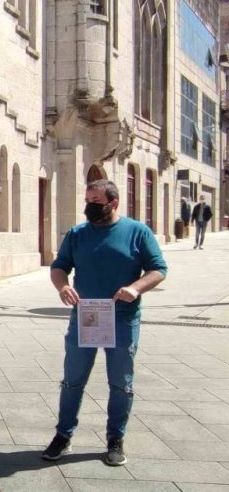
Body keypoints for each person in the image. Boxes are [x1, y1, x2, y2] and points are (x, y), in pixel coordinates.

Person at [43, 180, 167, 466]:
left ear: (113, 203)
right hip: (86, 316)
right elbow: (60, 266)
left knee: (120, 383)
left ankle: (115, 439)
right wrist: (62, 286)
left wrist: (136, 288)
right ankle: (63, 436)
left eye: (95, 201)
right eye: (87, 199)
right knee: (72, 380)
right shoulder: (77, 234)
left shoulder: (137, 231)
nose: (89, 206)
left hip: (123, 319)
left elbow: (158, 269)